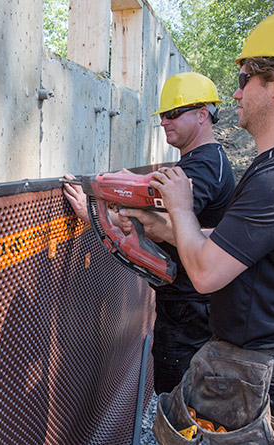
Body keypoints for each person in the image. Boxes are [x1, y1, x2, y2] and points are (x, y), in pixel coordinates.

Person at [128, 7, 274, 444]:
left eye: (245, 77)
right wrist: (159, 224)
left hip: (265, 382)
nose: (236, 93)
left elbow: (207, 272)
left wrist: (181, 209)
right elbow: (228, 246)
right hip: (255, 369)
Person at [63, 72, 235, 395]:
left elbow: (158, 221)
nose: (164, 122)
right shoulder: (204, 161)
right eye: (162, 116)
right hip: (190, 304)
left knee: (179, 401)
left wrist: (95, 214)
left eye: (173, 114)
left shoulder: (204, 167)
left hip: (191, 309)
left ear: (202, 115)